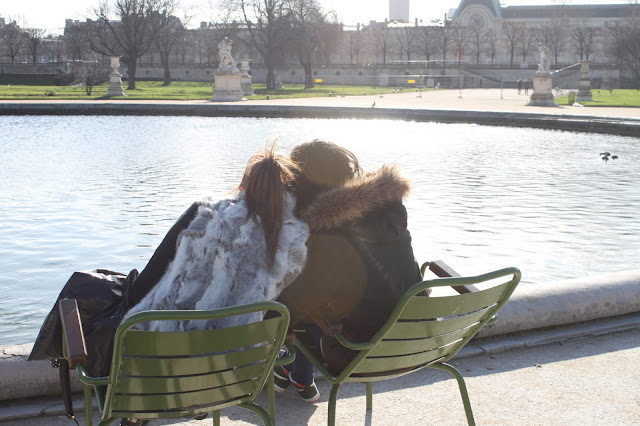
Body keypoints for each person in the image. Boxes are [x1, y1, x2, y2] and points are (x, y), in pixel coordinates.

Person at [274, 140, 423, 400]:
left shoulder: (324, 228)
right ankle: (298, 377)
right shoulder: (389, 207)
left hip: (358, 351)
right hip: (418, 341)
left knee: (285, 300)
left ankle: (287, 368)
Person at [124, 145, 309, 331]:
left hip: (166, 351)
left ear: (242, 187)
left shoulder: (204, 215)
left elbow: (143, 287)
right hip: (241, 356)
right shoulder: (293, 242)